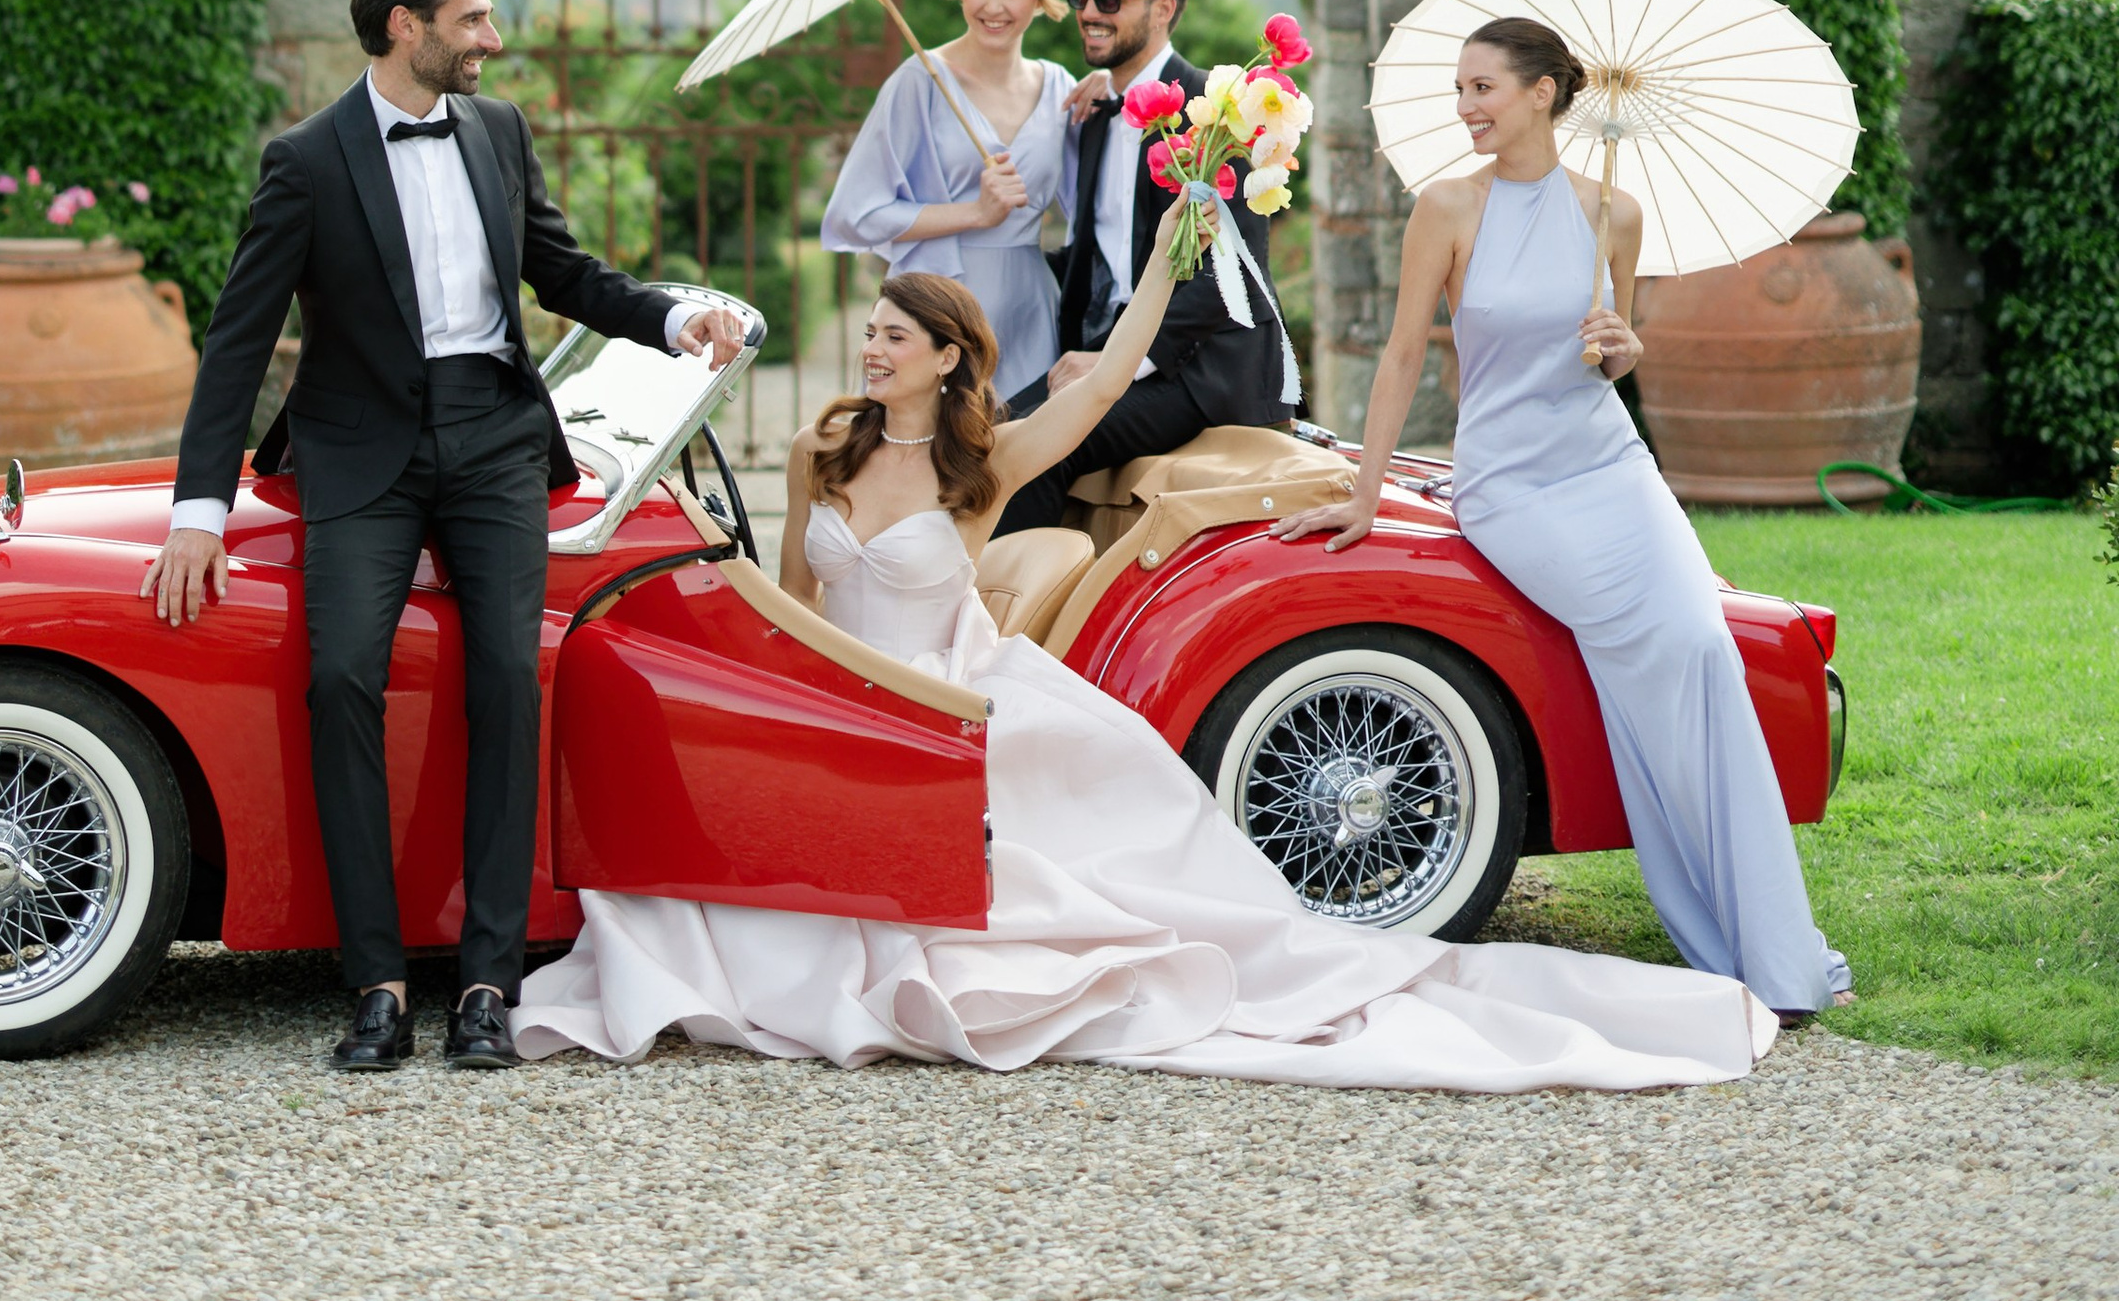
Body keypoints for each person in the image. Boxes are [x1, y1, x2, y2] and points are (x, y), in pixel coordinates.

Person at [513, 231, 1775, 1083]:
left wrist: (1177, 251)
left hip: (951, 699)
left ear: (949, 359)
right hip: (851, 703)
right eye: (875, 330)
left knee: (1090, 908)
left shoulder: (986, 460)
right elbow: (797, 603)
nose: (874, 346)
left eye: (898, 334)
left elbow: (1114, 370)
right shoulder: (824, 451)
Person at [145, 0, 747, 1075]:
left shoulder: (500, 130)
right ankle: (373, 982)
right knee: (339, 679)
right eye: (472, 18)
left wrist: (676, 319)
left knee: (509, 680)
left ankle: (486, 979)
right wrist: (196, 513)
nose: (494, 37)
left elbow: (567, 277)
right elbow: (234, 348)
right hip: (360, 450)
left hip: (491, 441)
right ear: (404, 28)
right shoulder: (306, 161)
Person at [1281, 10, 1852, 1022]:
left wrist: (1620, 345)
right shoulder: (1445, 209)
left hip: (1610, 468)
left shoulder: (1613, 214)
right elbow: (1406, 353)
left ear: (1542, 92)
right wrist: (1366, 487)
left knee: (1701, 650)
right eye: (1459, 91)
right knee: (1637, 654)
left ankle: (1766, 940)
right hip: (1509, 480)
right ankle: (1704, 908)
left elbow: (1611, 360)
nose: (1465, 108)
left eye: (1481, 89)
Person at [992, 0, 1298, 519]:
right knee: (982, 434)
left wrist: (1116, 362)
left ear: (1163, 9)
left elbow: (1227, 283)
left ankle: (1024, 608)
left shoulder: (1218, 114)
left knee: (1032, 454)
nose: (1088, 14)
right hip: (1113, 354)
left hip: (1198, 370)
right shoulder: (1099, 112)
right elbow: (1104, 251)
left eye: (1109, 1)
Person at [818, 0, 1080, 404]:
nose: (993, 6)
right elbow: (855, 216)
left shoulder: (1061, 88)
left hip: (1028, 313)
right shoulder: (919, 81)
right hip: (933, 315)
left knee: (1024, 469)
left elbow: (1093, 206)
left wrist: (1115, 94)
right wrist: (974, 214)